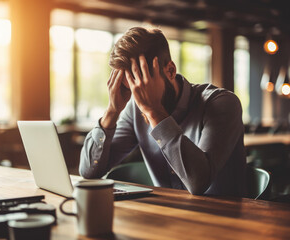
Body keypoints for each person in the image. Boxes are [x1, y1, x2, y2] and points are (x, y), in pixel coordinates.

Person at [79, 27, 246, 197]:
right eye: (129, 84)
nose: (137, 96)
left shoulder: (222, 103)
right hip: (167, 215)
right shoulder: (134, 111)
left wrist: (154, 112)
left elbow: (198, 183)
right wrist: (112, 111)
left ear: (171, 71)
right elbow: (89, 172)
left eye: (142, 81)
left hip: (224, 217)